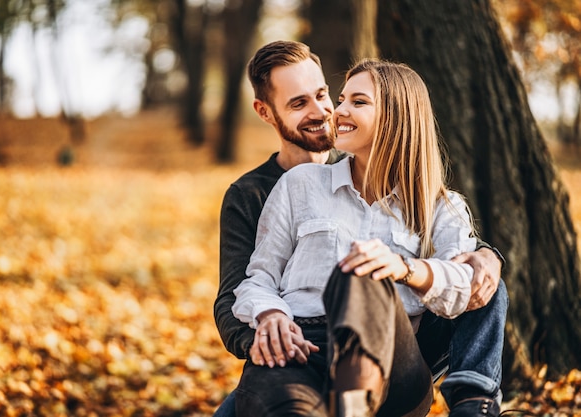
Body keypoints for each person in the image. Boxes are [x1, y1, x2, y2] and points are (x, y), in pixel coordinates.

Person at [214, 41, 507, 417]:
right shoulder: (269, 191)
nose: (328, 111)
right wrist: (270, 325)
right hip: (296, 344)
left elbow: (460, 266)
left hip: (390, 349)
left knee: (361, 272)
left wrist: (487, 256)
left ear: (396, 117)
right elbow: (241, 289)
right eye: (298, 103)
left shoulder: (433, 202)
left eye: (324, 95)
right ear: (265, 112)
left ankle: (463, 399)